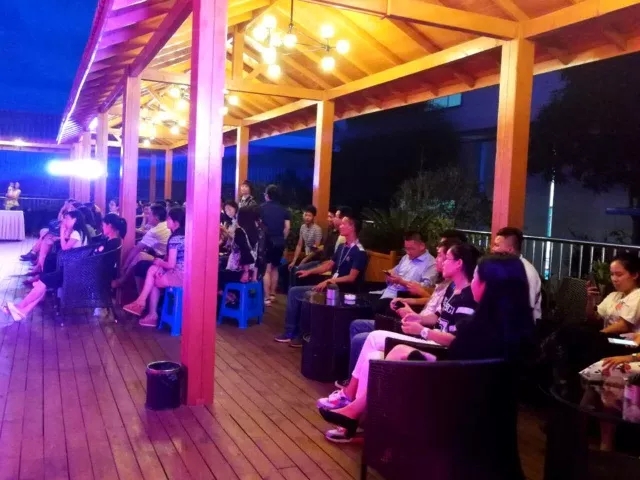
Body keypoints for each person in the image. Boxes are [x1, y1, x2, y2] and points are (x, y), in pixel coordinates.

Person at [317, 254, 534, 443]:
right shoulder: (519, 328)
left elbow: (456, 357)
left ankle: (356, 413)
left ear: (489, 286)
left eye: (477, 277)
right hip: (477, 399)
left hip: (449, 394)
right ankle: (358, 415)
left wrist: (421, 335)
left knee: (394, 352)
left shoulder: (477, 326)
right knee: (386, 353)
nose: (473, 281)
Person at [3, 214, 125, 322]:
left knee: (45, 280)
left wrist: (76, 265)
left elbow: (99, 262)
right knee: (45, 280)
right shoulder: (110, 240)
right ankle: (22, 310)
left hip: (84, 276)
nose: (102, 227)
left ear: (110, 226)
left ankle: (21, 308)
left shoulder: (113, 243)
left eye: (104, 225)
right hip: (81, 271)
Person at [274, 215, 368, 347]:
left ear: (352, 227)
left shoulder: (359, 251)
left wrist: (329, 281)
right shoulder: (342, 247)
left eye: (343, 224)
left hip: (342, 290)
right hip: (331, 286)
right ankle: (291, 332)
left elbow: (351, 277)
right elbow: (328, 265)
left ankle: (302, 335)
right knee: (294, 291)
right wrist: (309, 272)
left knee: (306, 294)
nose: (340, 226)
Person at [123, 207, 186, 326]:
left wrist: (159, 263)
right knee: (153, 270)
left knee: (153, 277)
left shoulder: (175, 239)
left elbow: (171, 264)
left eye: (169, 218)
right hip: (186, 274)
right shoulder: (185, 236)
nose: (166, 221)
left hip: (179, 276)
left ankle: (147, 310)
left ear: (176, 222)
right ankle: (142, 305)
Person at [491, 227, 542, 321]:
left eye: (497, 245)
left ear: (510, 249)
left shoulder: (527, 273)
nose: (493, 249)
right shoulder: (503, 267)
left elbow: (524, 310)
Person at [260, 185, 291, 306]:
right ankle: (273, 294)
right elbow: (287, 228)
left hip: (267, 242)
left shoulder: (261, 208)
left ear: (267, 195)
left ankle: (267, 298)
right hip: (280, 242)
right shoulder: (284, 210)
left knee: (266, 269)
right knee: (275, 268)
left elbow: (259, 225)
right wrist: (282, 238)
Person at [219, 206, 259, 290]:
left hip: (239, 270)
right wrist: (254, 275)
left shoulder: (240, 232)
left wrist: (245, 272)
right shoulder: (256, 231)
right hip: (252, 270)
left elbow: (245, 252)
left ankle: (228, 295)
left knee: (215, 275)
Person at [284, 205, 323, 290]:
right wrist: (294, 261)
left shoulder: (317, 229)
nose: (307, 218)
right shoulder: (303, 227)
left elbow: (316, 249)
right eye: (306, 215)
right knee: (288, 267)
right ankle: (290, 290)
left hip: (315, 257)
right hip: (306, 256)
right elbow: (299, 245)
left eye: (310, 216)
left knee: (298, 269)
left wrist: (304, 260)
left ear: (313, 217)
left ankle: (297, 289)